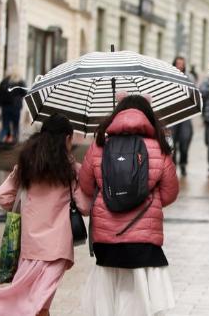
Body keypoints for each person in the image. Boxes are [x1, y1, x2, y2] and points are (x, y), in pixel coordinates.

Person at [0, 114, 90, 316]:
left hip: (30, 247)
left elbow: (3, 196)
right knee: (39, 303)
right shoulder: (72, 171)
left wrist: (27, 206)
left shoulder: (26, 166)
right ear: (68, 139)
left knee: (33, 303)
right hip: (56, 249)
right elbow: (85, 207)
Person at [79, 94, 179, 316]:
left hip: (107, 239)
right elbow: (170, 193)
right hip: (144, 240)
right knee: (141, 301)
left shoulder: (99, 145)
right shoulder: (158, 146)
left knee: (109, 300)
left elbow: (86, 187)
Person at [171, 56, 195, 176]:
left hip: (185, 115)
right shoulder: (168, 77)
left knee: (185, 141)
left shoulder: (189, 78)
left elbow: (194, 93)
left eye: (182, 64)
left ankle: (183, 163)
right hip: (172, 116)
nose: (180, 66)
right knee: (172, 142)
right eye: (178, 63)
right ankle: (173, 165)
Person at [0, 69, 27, 143]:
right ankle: (15, 143)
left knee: (5, 127)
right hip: (16, 108)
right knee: (16, 126)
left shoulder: (4, 82)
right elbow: (25, 93)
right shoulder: (20, 82)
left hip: (5, 107)